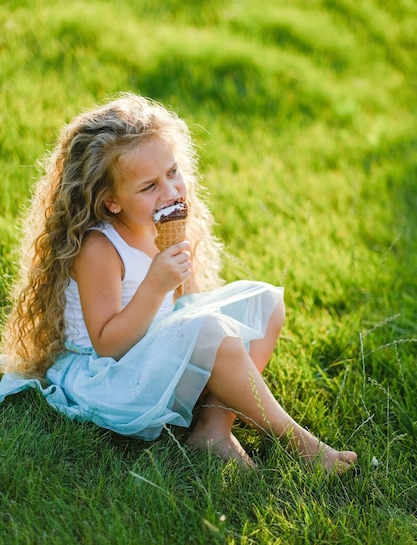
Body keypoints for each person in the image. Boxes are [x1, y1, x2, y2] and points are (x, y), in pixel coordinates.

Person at [0, 93, 357, 472]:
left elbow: (182, 307)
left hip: (153, 353)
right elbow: (108, 345)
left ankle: (213, 427)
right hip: (110, 379)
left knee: (265, 301)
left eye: (172, 172)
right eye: (148, 186)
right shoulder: (99, 248)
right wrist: (155, 285)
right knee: (210, 329)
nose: (170, 192)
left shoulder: (162, 228)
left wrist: (180, 292)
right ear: (112, 202)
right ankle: (301, 443)